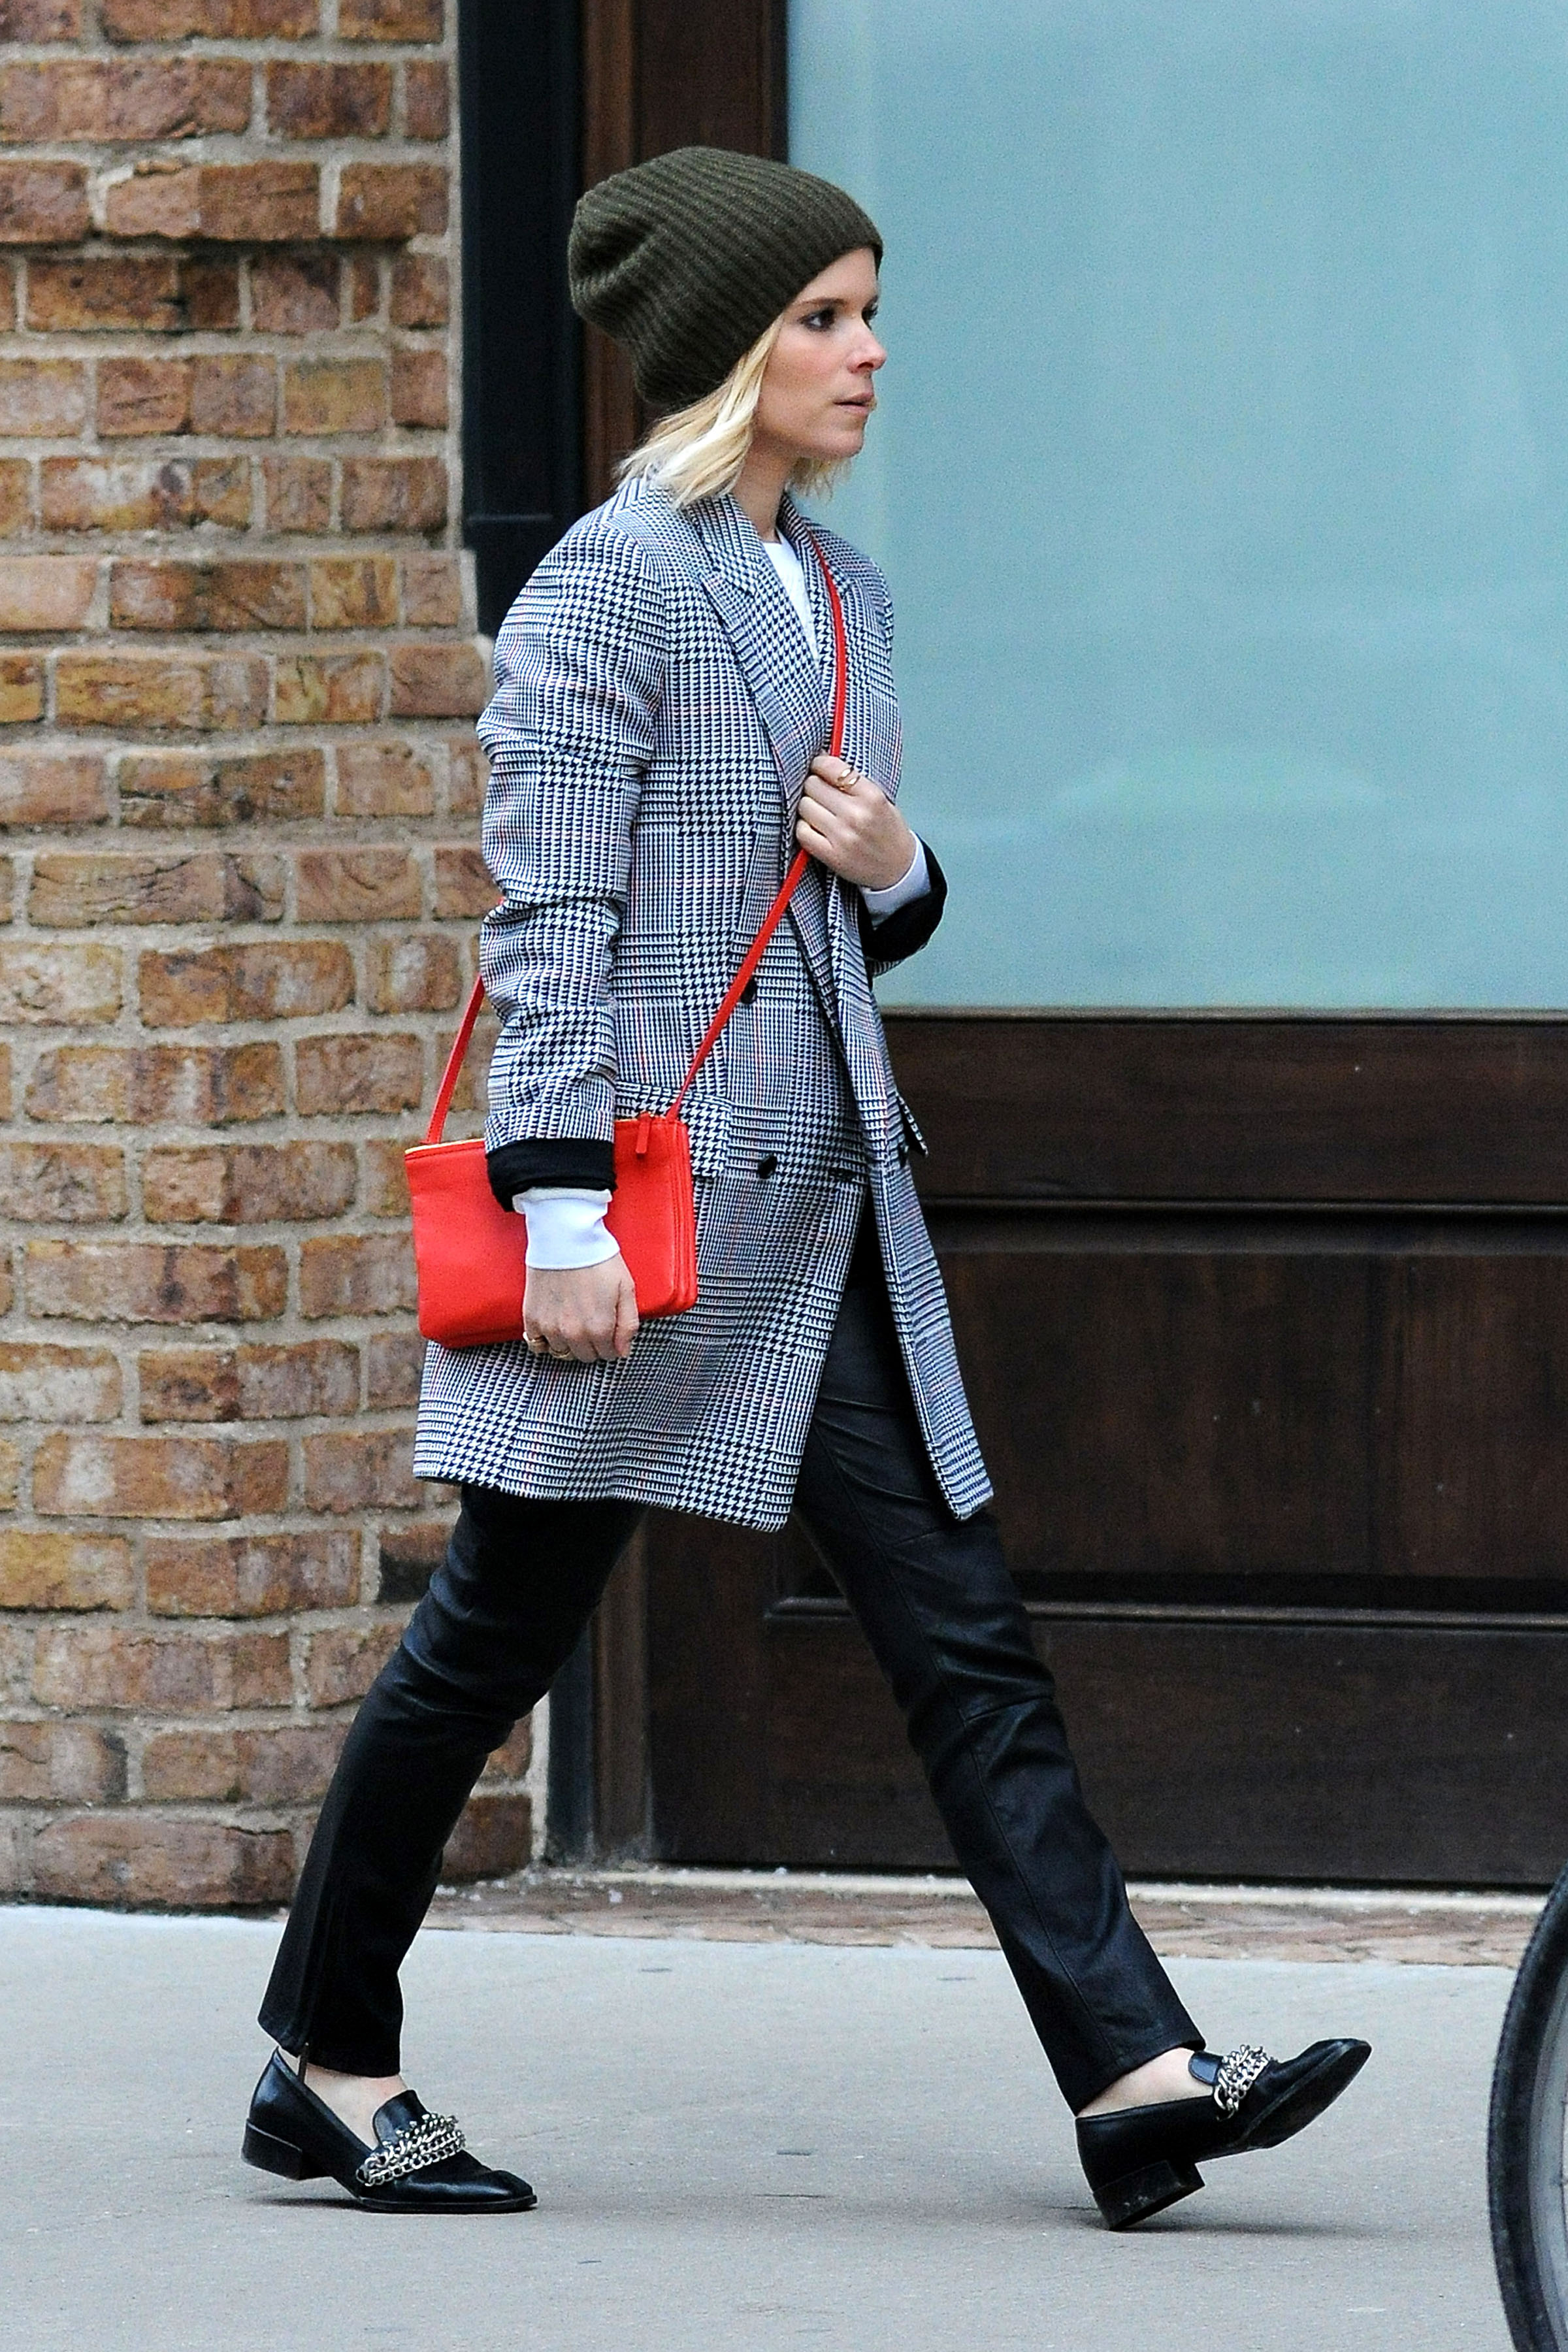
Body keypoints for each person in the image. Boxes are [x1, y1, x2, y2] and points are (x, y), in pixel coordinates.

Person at [244, 146, 1368, 2227]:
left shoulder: (838, 590)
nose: (869, 352)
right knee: (486, 1645)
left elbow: (829, 918)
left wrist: (904, 872)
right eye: (824, 317)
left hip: (827, 1208)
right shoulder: (606, 584)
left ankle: (1135, 2077)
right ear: (721, 348)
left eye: (869, 311)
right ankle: (326, 2056)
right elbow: (552, 922)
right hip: (650, 1224)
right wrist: (561, 1216)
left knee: (966, 1638)